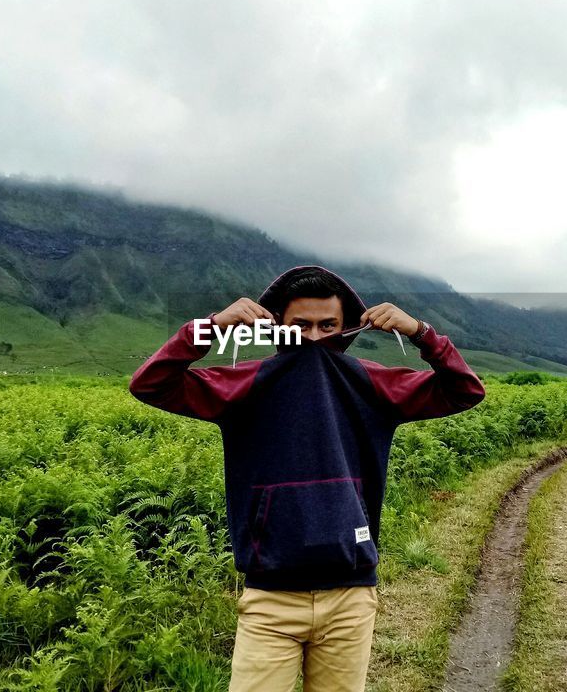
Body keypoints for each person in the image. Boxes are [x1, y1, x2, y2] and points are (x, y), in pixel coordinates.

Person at [128, 264, 486, 692]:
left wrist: (422, 333)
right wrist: (209, 328)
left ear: (346, 326)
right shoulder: (246, 382)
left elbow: (464, 391)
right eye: (302, 326)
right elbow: (151, 384)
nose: (315, 339)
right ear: (276, 325)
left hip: (349, 597)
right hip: (270, 601)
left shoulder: (372, 380)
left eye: (327, 326)